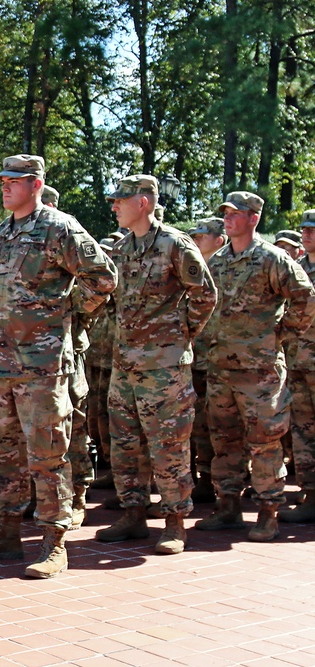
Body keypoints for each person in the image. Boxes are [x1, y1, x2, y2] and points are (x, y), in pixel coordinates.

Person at [0, 154, 116, 579]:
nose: (4, 187)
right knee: (1, 448)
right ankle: (6, 531)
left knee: (47, 451)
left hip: (44, 364)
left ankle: (53, 540)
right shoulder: (2, 231)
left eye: (13, 180)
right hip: (2, 363)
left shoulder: (59, 226)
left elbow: (102, 277)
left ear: (36, 184)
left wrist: (63, 313)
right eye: (2, 180)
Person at [93, 175, 216, 555]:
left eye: (120, 200)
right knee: (125, 444)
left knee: (168, 445)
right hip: (125, 363)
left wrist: (179, 336)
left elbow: (205, 295)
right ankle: (133, 513)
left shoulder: (175, 244)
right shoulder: (121, 248)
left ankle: (175, 523)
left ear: (142, 203)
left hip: (164, 368)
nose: (114, 205)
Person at [198, 192, 315, 541]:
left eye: (237, 214)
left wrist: (281, 333)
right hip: (221, 368)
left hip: (260, 371)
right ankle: (229, 506)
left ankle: (268, 513)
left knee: (265, 442)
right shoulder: (217, 262)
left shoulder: (271, 259)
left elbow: (305, 297)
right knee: (225, 440)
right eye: (226, 214)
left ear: (254, 219)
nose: (229, 219)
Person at [187, 217, 226, 502]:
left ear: (218, 240)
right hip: (195, 358)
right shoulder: (190, 269)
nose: (197, 240)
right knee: (197, 423)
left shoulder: (226, 269)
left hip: (222, 359)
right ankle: (203, 478)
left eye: (202, 236)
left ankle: (223, 484)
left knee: (220, 425)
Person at [283, 209, 315, 523]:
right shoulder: (297, 269)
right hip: (298, 362)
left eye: (312, 230)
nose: (306, 234)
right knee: (303, 432)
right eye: (304, 229)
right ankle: (310, 495)